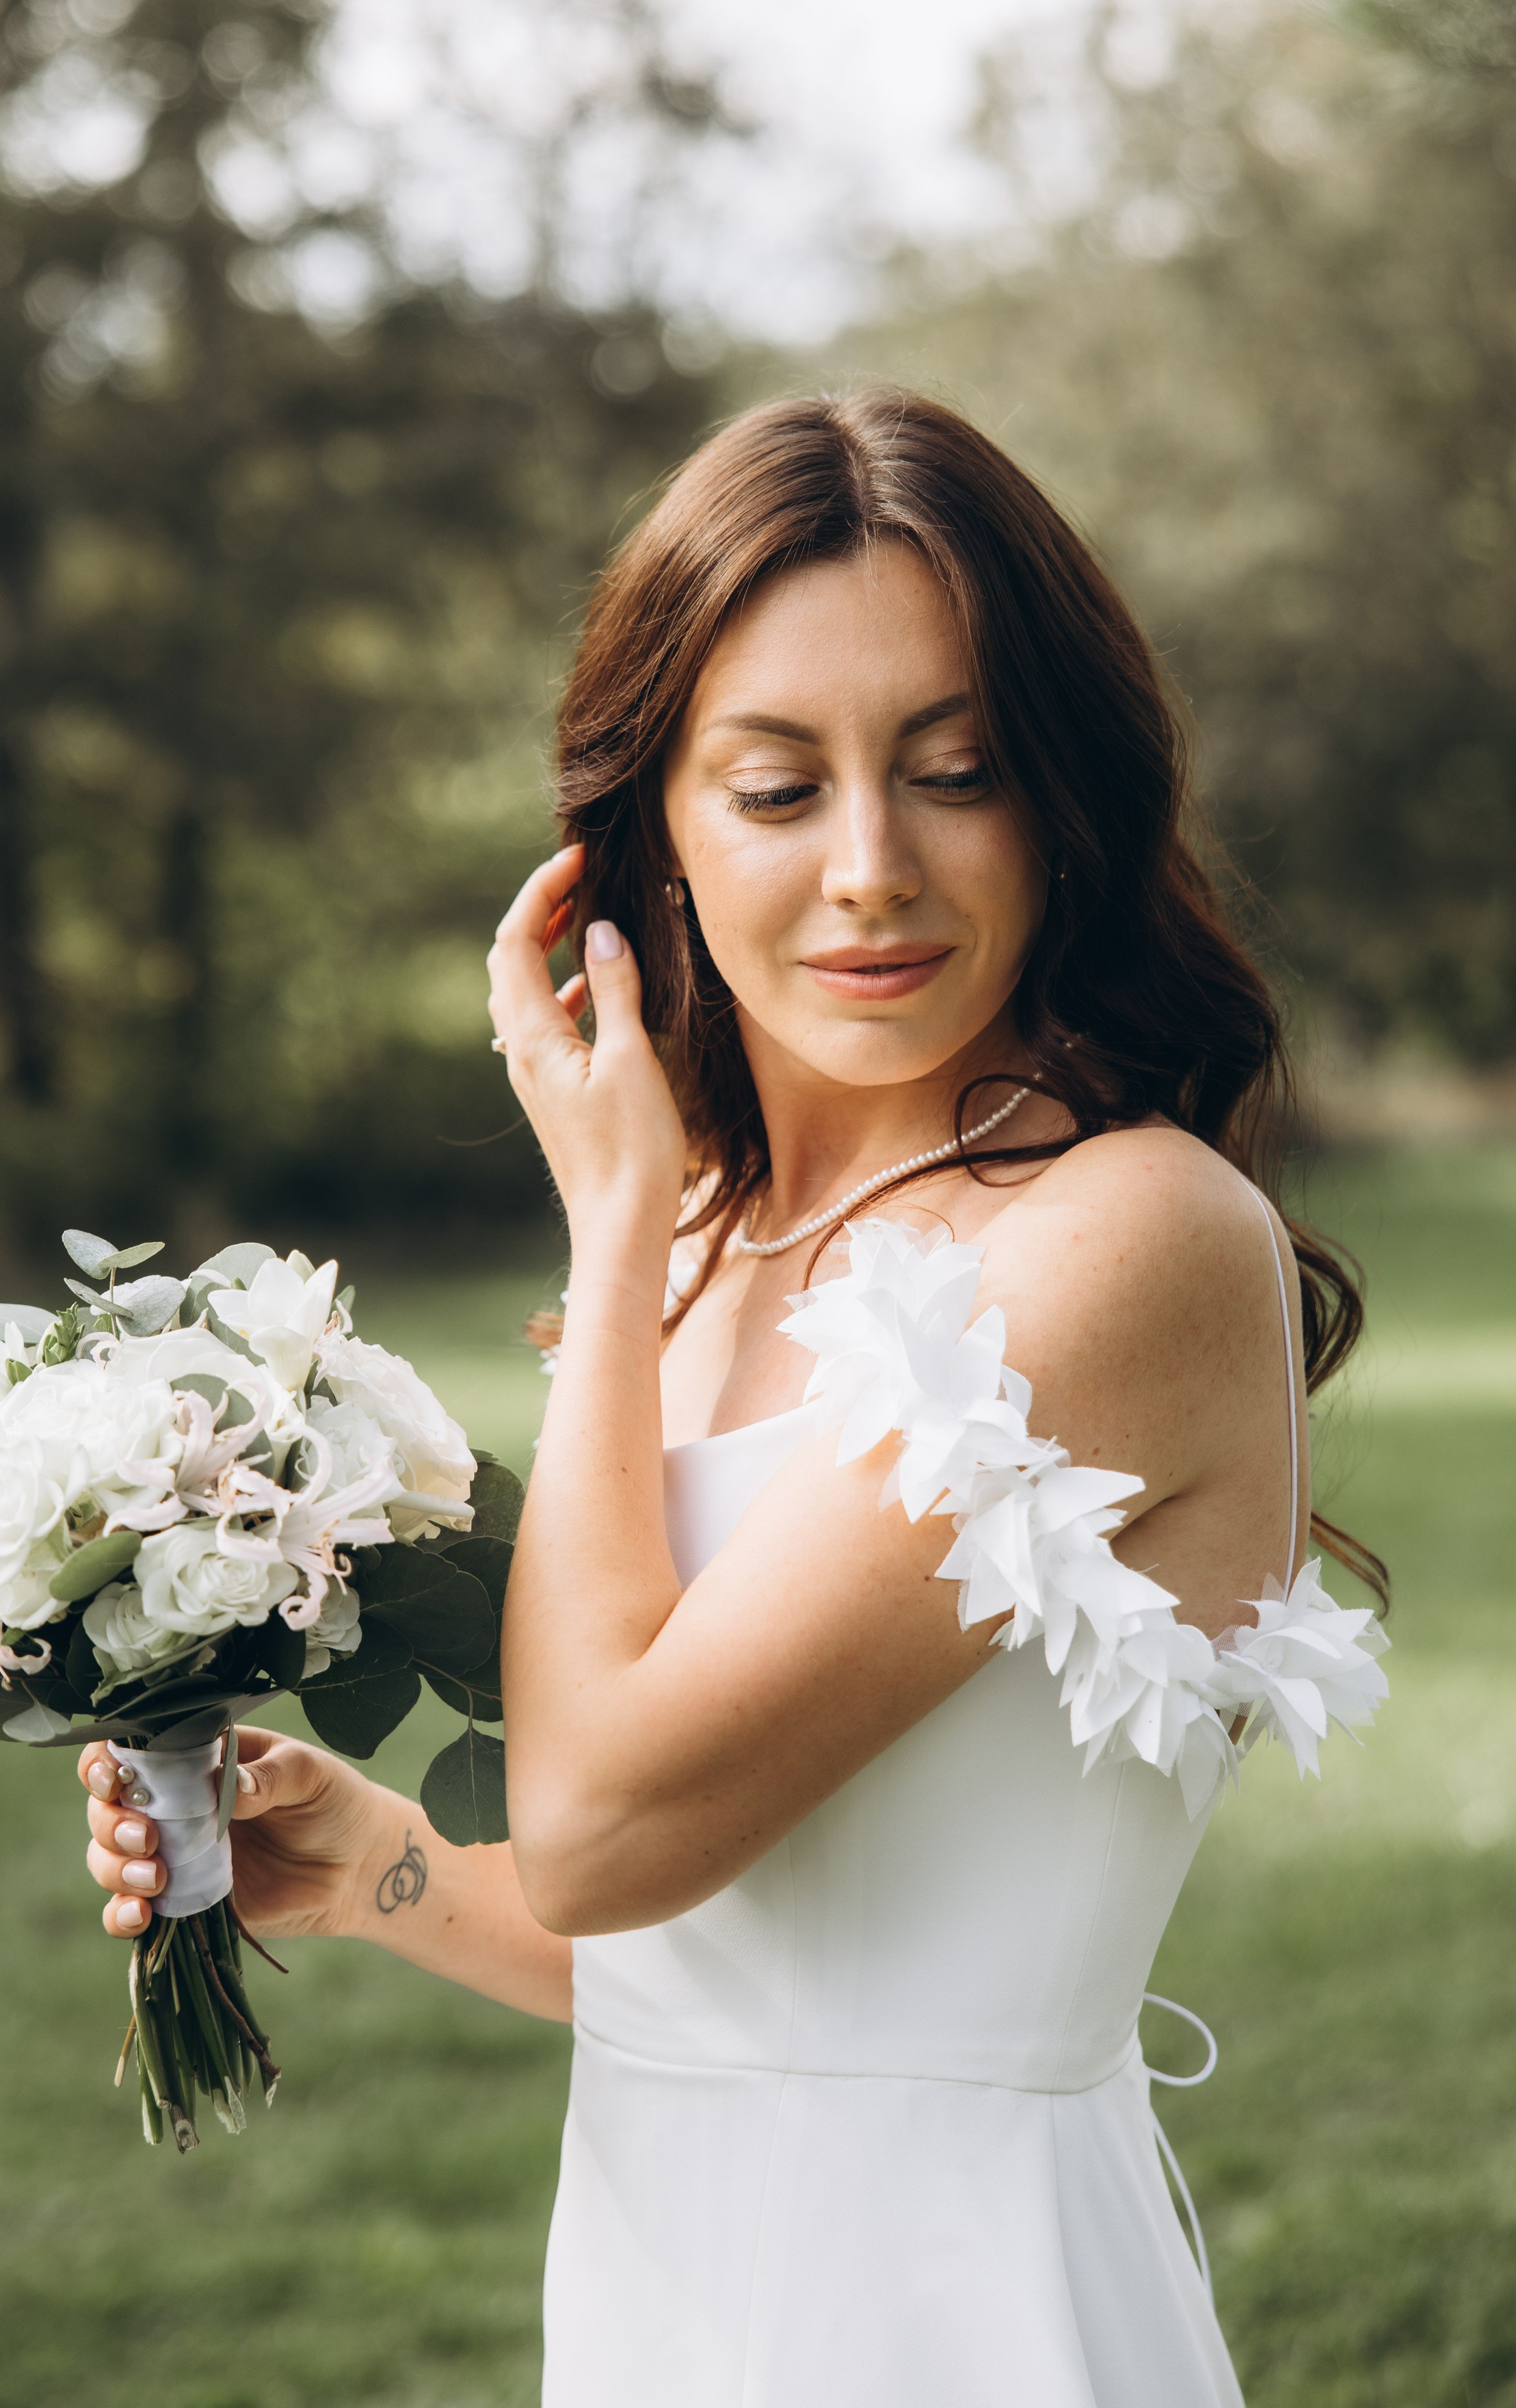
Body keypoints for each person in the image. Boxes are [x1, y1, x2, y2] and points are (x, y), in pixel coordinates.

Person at [78, 389, 1389, 2405]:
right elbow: (704, 1963)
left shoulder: (1125, 1237)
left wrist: (611, 1228)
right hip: (659, 2300)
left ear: (1064, 798)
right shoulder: (710, 1251)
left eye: (957, 771)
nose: (873, 869)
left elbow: (603, 1835)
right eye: (777, 790)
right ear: (647, 841)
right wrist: (383, 1865)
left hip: (969, 2323)